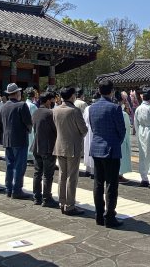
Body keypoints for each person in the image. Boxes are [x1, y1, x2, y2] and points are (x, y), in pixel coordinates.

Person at [88, 80, 126, 227]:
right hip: (111, 149)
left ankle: (98, 214)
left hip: (96, 147)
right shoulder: (114, 108)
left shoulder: (92, 108)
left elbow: (92, 126)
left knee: (98, 183)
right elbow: (121, 130)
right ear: (112, 91)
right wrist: (116, 142)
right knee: (111, 184)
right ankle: (110, 216)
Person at [53, 86, 88, 216]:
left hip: (59, 145)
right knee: (72, 177)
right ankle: (70, 204)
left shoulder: (55, 110)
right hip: (73, 146)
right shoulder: (74, 111)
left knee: (62, 175)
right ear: (72, 96)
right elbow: (84, 129)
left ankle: (62, 202)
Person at [1, 83, 33, 199]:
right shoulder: (21, 105)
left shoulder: (4, 106)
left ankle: (9, 188)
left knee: (10, 165)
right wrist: (29, 130)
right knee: (19, 166)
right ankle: (17, 189)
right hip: (19, 138)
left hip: (7, 139)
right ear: (17, 93)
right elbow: (28, 123)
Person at [31, 92, 58, 207]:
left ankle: (37, 197)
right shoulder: (50, 113)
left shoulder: (35, 112)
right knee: (48, 174)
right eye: (52, 100)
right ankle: (47, 198)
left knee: (37, 173)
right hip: (48, 146)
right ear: (47, 101)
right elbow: (56, 129)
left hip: (36, 145)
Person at [114, 91, 132, 181]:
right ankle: (119, 174)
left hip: (113, 137)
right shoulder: (123, 114)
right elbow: (127, 128)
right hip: (121, 137)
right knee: (121, 156)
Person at [83, 92, 101, 178]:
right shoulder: (97, 108)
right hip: (94, 130)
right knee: (92, 150)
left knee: (87, 149)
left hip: (87, 130)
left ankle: (88, 169)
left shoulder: (87, 108)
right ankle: (93, 171)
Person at [24, 87, 38, 165]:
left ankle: (27, 157)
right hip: (31, 126)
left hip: (25, 126)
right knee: (31, 140)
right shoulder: (33, 106)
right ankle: (29, 158)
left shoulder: (24, 104)